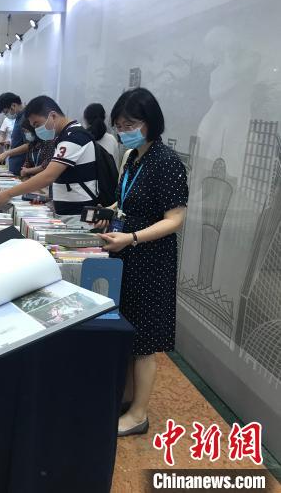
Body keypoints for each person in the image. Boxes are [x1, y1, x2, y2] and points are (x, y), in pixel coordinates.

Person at [94, 88, 188, 437]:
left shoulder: (166, 162)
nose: (123, 131)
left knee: (145, 342)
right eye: (119, 126)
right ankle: (127, 399)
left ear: (150, 123)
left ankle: (139, 415)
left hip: (151, 259)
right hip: (128, 255)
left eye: (130, 125)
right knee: (130, 333)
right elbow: (125, 203)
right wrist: (108, 214)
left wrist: (132, 237)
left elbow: (175, 219)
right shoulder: (134, 157)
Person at [0, 95, 97, 224]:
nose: (36, 130)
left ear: (53, 116)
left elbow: (48, 175)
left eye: (37, 124)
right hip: (68, 212)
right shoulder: (63, 136)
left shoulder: (73, 137)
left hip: (77, 216)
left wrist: (8, 194)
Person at [0, 92, 26, 175]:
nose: (7, 115)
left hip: (22, 165)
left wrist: (7, 153)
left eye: (6, 112)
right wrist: (10, 142)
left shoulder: (25, 118)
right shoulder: (18, 117)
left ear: (13, 105)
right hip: (15, 163)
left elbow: (29, 145)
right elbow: (21, 140)